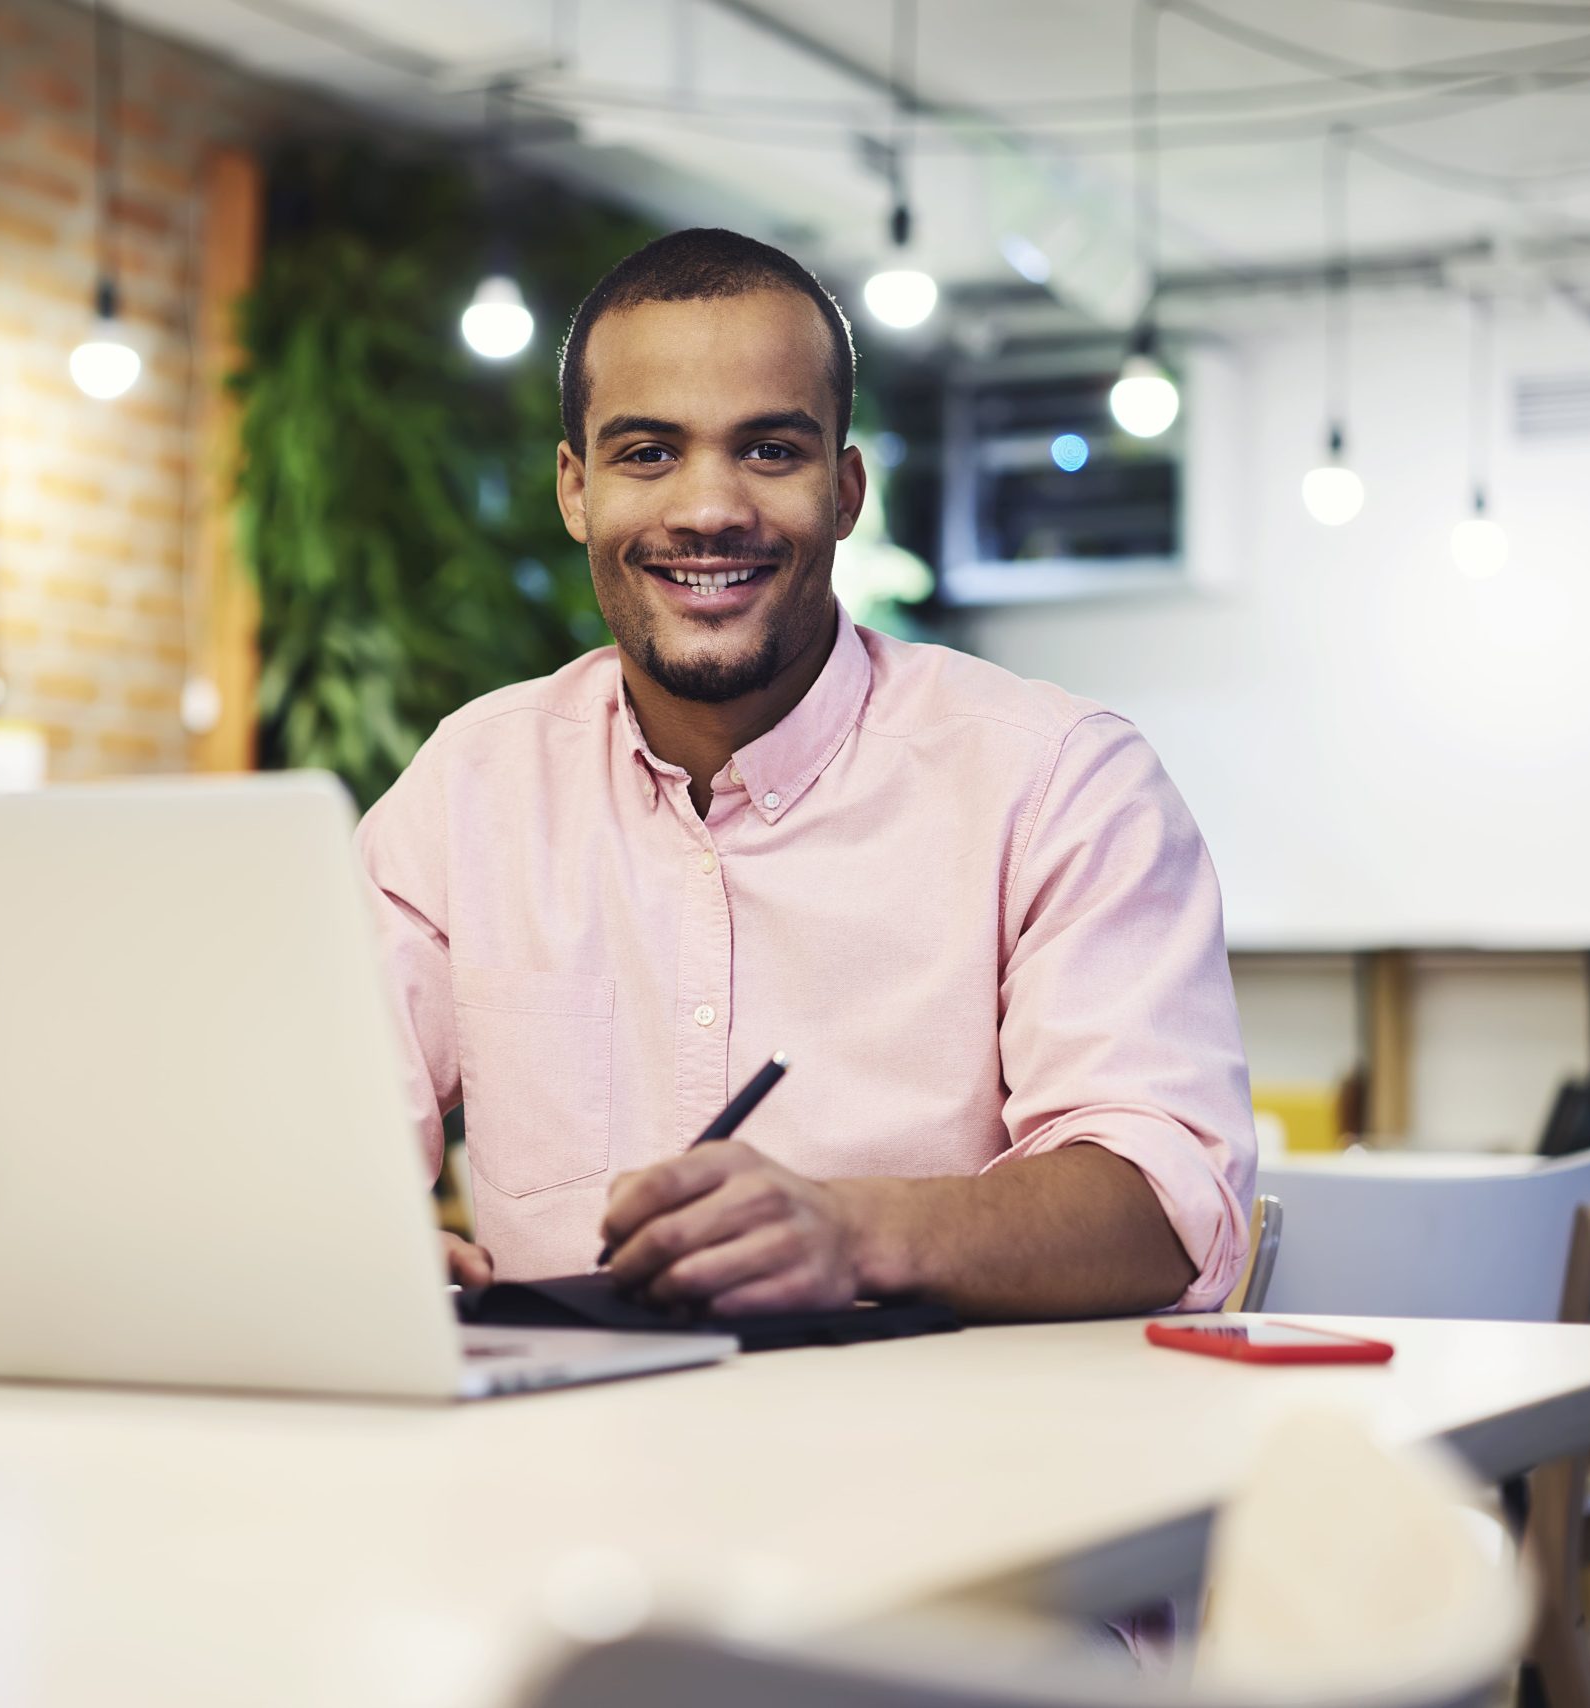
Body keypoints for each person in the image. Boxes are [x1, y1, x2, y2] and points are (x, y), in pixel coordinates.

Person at [358, 228, 1255, 1319]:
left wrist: (851, 1232)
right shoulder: (473, 784)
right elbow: (312, 1129)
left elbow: (1167, 1205)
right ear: (574, 489)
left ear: (844, 492)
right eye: (646, 453)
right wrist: (349, 1241)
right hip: (558, 1460)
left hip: (945, 1467)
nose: (708, 509)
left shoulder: (1058, 782)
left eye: (769, 451)